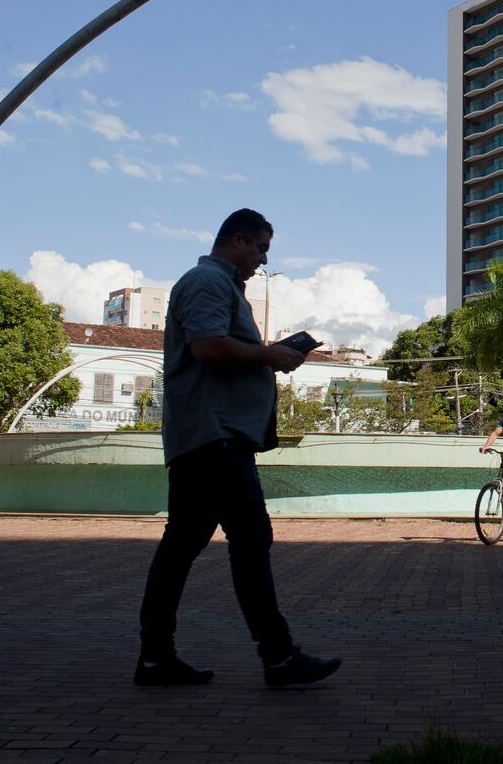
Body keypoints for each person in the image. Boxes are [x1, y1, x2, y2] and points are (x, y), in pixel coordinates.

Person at [136, 208, 341, 689]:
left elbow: (218, 347)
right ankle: (279, 656)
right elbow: (208, 347)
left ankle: (154, 657)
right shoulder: (208, 282)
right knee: (250, 541)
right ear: (237, 239)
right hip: (215, 436)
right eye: (261, 249)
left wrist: (269, 354)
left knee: (181, 546)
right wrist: (271, 355)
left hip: (209, 435)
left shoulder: (221, 286)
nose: (263, 261)